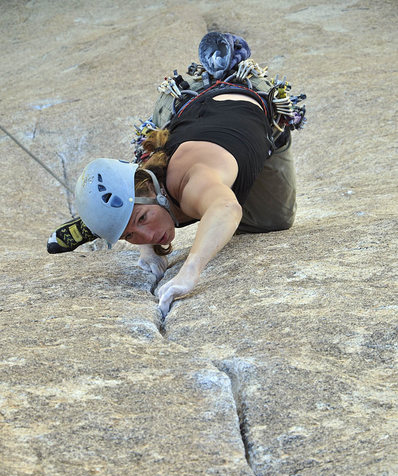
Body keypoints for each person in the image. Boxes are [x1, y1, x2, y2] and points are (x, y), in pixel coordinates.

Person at [47, 33, 303, 317]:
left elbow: (226, 208)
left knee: (273, 220)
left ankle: (105, 216)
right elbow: (144, 203)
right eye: (130, 235)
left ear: (153, 188)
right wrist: (147, 249)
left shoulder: (195, 181)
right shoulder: (150, 178)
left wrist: (190, 272)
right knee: (148, 163)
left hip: (250, 96)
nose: (149, 234)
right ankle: (101, 217)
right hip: (184, 111)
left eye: (143, 220)